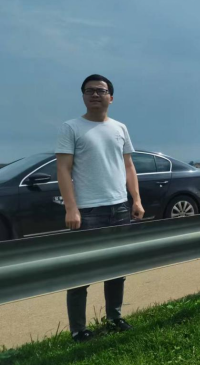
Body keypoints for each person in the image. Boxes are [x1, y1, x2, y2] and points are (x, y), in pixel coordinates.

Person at [56, 74, 145, 343]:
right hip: (87, 211)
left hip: (119, 207)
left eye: (100, 90)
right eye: (89, 90)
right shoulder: (71, 127)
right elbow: (63, 169)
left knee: (116, 268)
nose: (95, 94)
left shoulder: (120, 128)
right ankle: (78, 329)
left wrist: (136, 200)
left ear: (111, 97)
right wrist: (71, 208)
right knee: (81, 271)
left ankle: (114, 318)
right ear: (83, 96)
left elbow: (128, 166)